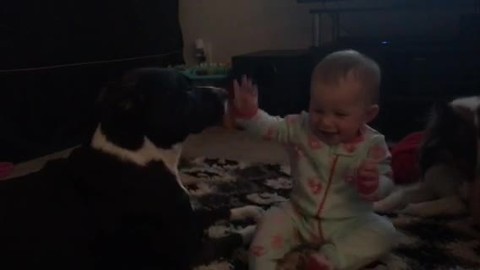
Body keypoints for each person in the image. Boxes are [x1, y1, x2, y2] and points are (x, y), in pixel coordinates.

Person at [228, 49, 398, 270]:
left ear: (368, 114)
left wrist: (374, 185)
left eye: (339, 114)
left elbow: (387, 181)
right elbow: (270, 127)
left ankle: (329, 260)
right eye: (318, 109)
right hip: (299, 216)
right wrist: (251, 114)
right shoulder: (300, 127)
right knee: (270, 222)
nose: (326, 122)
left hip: (349, 222)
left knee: (384, 232)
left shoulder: (373, 145)